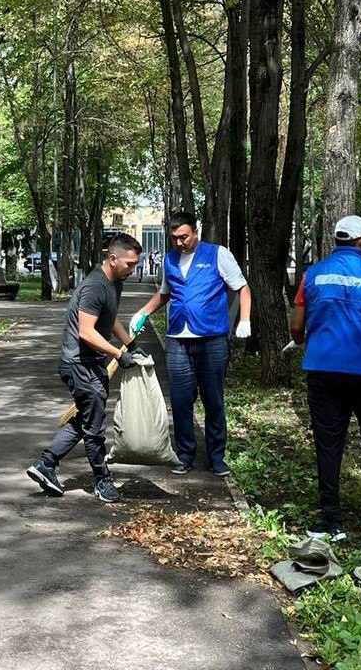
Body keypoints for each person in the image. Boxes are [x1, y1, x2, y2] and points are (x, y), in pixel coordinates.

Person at [288, 215, 361, 543]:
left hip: (323, 372)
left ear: (336, 240)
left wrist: (311, 340)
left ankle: (330, 519)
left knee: (328, 443)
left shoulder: (312, 275)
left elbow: (296, 328)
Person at [130, 211, 251, 477]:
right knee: (181, 401)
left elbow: (242, 287)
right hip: (177, 341)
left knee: (213, 400)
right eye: (174, 238)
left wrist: (244, 319)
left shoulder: (218, 254)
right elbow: (164, 294)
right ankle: (184, 455)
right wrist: (143, 313)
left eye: (184, 237)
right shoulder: (170, 260)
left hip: (211, 340)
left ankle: (216, 457)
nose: (179, 243)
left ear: (195, 231)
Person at [26, 233, 145, 504]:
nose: (133, 269)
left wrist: (131, 344)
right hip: (78, 364)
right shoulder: (94, 286)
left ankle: (46, 463)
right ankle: (102, 481)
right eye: (129, 264)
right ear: (112, 258)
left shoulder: (115, 282)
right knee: (95, 427)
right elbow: (87, 332)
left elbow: (110, 317)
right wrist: (118, 353)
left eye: (135, 264)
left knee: (86, 419)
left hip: (91, 363)